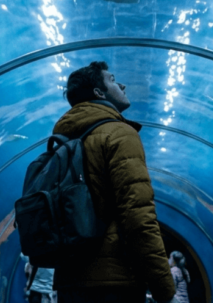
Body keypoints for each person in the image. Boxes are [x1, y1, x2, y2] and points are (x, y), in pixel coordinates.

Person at [52, 61, 176, 303]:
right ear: (99, 93)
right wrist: (165, 291)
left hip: (69, 282)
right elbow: (138, 217)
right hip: (115, 283)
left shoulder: (62, 143)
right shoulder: (119, 133)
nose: (122, 84)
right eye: (112, 80)